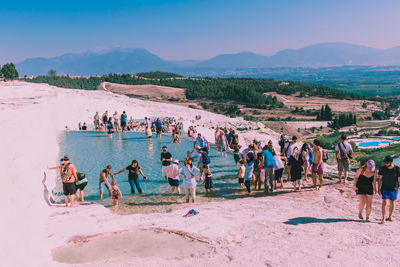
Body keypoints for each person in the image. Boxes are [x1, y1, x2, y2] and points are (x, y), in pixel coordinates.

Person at [378, 156, 400, 224]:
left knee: (392, 203)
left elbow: (399, 179)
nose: (385, 164)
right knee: (384, 202)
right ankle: (383, 218)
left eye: (387, 162)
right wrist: (379, 188)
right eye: (385, 162)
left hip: (394, 188)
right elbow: (380, 179)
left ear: (391, 162)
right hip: (384, 187)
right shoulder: (382, 168)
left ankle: (390, 216)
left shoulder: (397, 168)